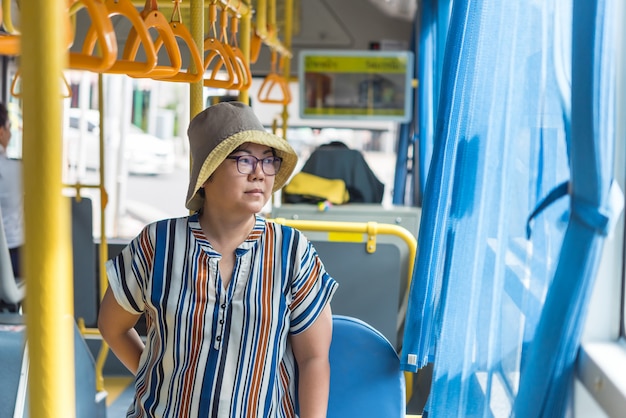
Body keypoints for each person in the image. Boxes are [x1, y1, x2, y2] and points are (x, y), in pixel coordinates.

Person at [98, 101, 338, 418]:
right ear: (206, 175)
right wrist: (154, 378)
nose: (259, 173)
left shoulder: (292, 251)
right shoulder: (158, 244)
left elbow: (314, 359)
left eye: (268, 161)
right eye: (244, 160)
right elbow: (111, 326)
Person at [0, 102, 23, 278]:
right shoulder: (17, 171)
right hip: (11, 255)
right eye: (9, 127)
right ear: (1, 132)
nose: (11, 133)